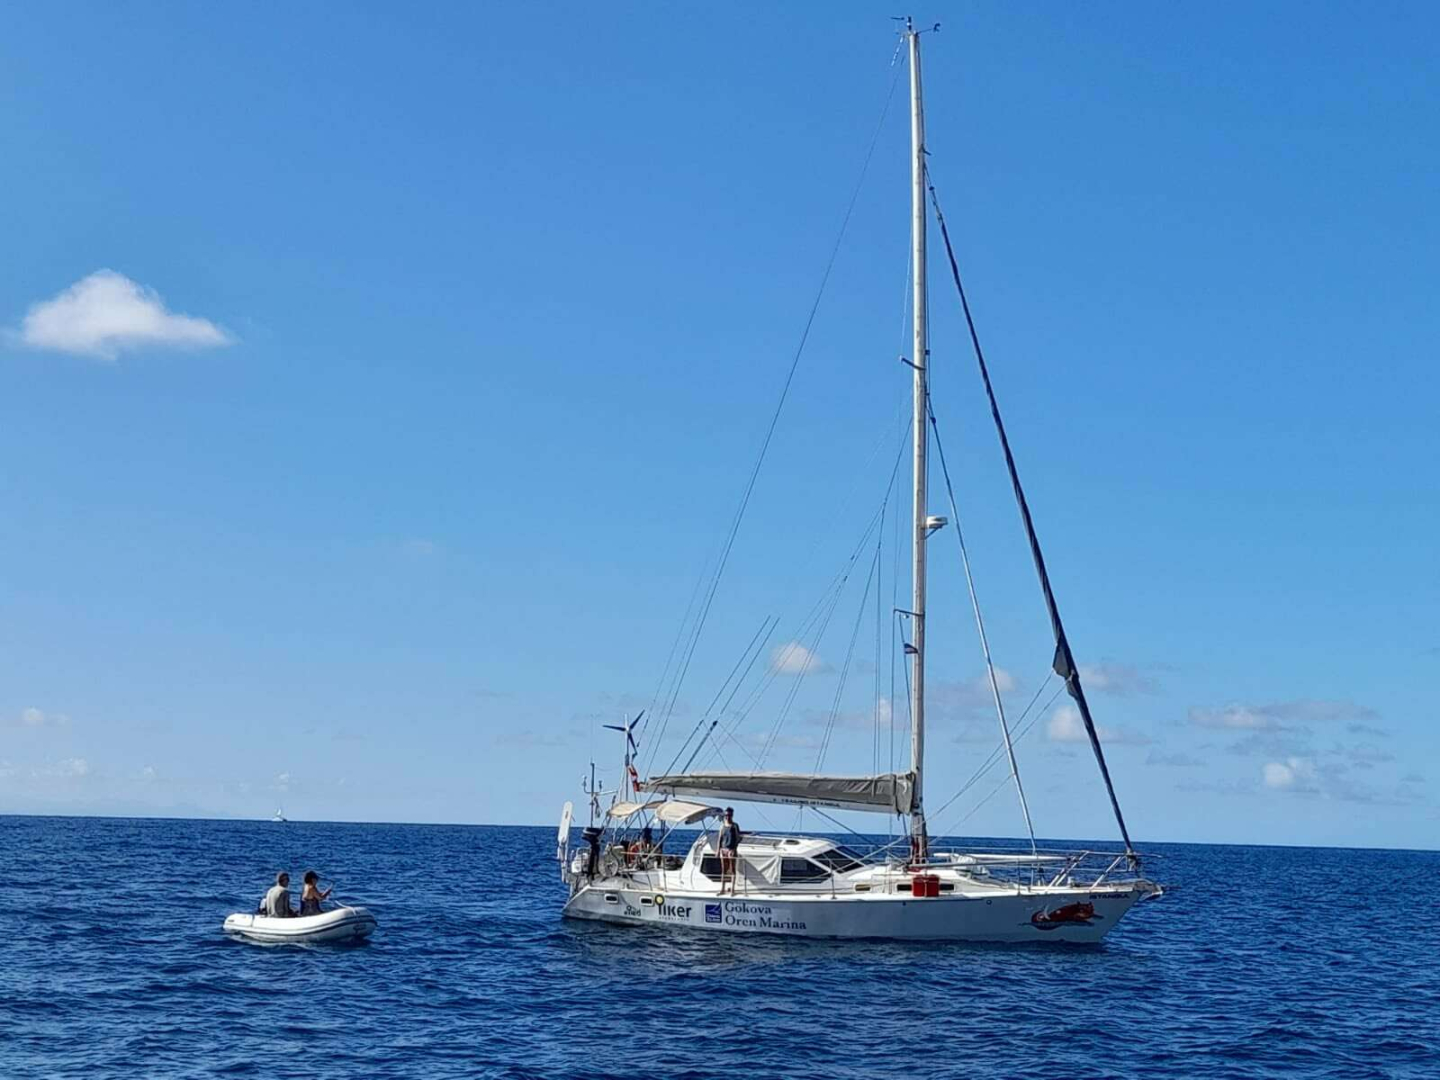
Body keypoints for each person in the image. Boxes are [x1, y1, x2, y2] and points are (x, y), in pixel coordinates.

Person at [718, 808, 742, 896]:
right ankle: (722, 889)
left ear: (732, 815)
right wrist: (718, 850)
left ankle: (732, 889)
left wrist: (734, 848)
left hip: (731, 849)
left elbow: (738, 838)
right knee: (724, 869)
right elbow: (720, 838)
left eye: (729, 815)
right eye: (726, 815)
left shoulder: (734, 826)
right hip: (723, 849)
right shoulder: (722, 826)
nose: (728, 817)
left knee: (732, 869)